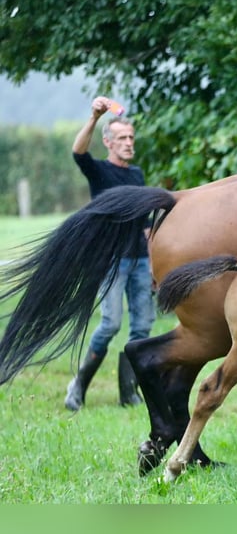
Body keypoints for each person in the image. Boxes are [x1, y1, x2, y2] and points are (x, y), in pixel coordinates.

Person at [64, 96, 154, 411]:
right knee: (111, 324)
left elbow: (145, 223)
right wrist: (93, 117)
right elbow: (78, 151)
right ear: (108, 142)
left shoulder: (137, 175)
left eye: (131, 138)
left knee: (142, 327)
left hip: (140, 259)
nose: (129, 143)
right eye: (122, 138)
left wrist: (153, 263)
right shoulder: (98, 171)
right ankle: (78, 386)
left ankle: (128, 392)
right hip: (111, 260)